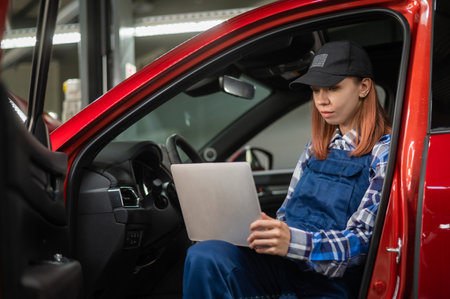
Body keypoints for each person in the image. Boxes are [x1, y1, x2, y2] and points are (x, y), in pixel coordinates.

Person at [182, 40, 391, 298]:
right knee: (205, 255)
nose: (322, 101)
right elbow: (286, 214)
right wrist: (266, 232)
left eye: (333, 88)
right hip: (284, 265)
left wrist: (293, 243)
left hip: (329, 284)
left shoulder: (383, 152)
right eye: (315, 91)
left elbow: (362, 244)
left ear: (363, 87)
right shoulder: (314, 149)